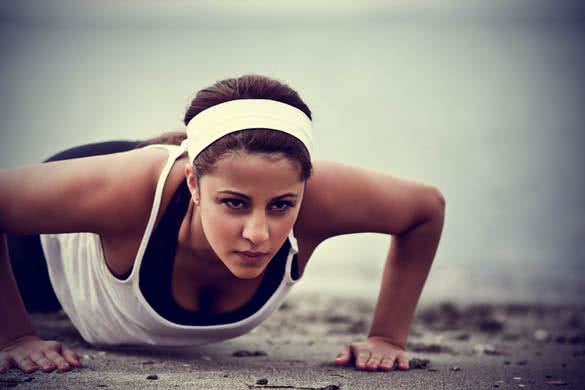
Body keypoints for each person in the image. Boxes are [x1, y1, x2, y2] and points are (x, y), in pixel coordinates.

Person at [0, 74, 445, 374]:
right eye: (235, 203)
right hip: (57, 239)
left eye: (281, 206)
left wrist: (386, 337)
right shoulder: (126, 195)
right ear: (193, 182)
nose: (259, 234)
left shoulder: (317, 198)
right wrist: (15, 336)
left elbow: (426, 209)